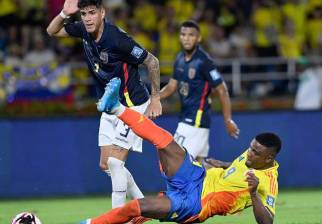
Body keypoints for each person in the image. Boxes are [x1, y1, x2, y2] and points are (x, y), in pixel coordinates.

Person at [80, 77, 281, 224]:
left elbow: (267, 222)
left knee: (136, 207)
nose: (249, 153)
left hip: (195, 204)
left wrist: (253, 194)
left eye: (255, 152)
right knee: (165, 141)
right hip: (197, 176)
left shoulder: (268, 182)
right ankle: (115, 107)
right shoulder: (252, 157)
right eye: (250, 148)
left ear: (268, 158)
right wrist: (224, 165)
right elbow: (241, 168)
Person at [46, 0, 162, 208]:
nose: (88, 18)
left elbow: (152, 61)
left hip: (131, 105)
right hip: (109, 107)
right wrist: (64, 13)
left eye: (92, 13)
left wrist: (155, 99)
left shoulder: (118, 39)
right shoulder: (83, 30)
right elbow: (52, 31)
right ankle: (143, 206)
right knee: (105, 164)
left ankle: (117, 216)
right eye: (84, 14)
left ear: (102, 13)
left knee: (116, 163)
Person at [160, 20, 239, 162]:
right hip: (186, 117)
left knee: (175, 161)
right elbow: (172, 87)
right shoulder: (179, 58)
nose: (187, 38)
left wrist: (228, 120)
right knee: (199, 166)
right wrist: (154, 97)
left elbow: (222, 90)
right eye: (183, 34)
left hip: (195, 119)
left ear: (199, 38)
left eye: (191, 35)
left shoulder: (204, 61)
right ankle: (226, 173)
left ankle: (232, 172)